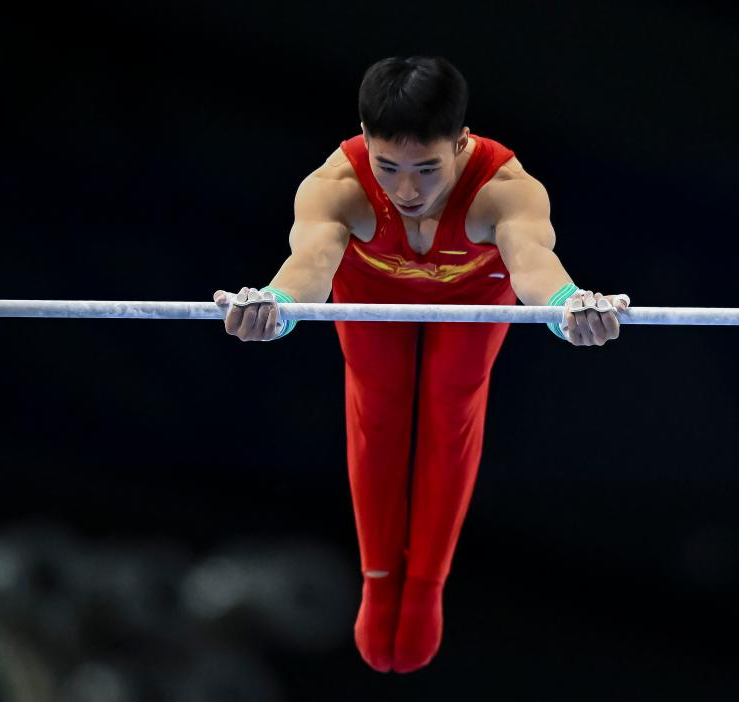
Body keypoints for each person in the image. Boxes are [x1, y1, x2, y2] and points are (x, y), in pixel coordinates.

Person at [213, 56, 629, 674]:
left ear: (461, 143)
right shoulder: (336, 185)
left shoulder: (505, 188)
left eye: (427, 169)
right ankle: (380, 581)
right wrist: (276, 306)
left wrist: (570, 306)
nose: (406, 191)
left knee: (452, 408)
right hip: (368, 289)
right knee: (377, 407)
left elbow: (534, 266)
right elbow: (310, 266)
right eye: (388, 167)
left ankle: (427, 583)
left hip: (476, 295)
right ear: (365, 138)